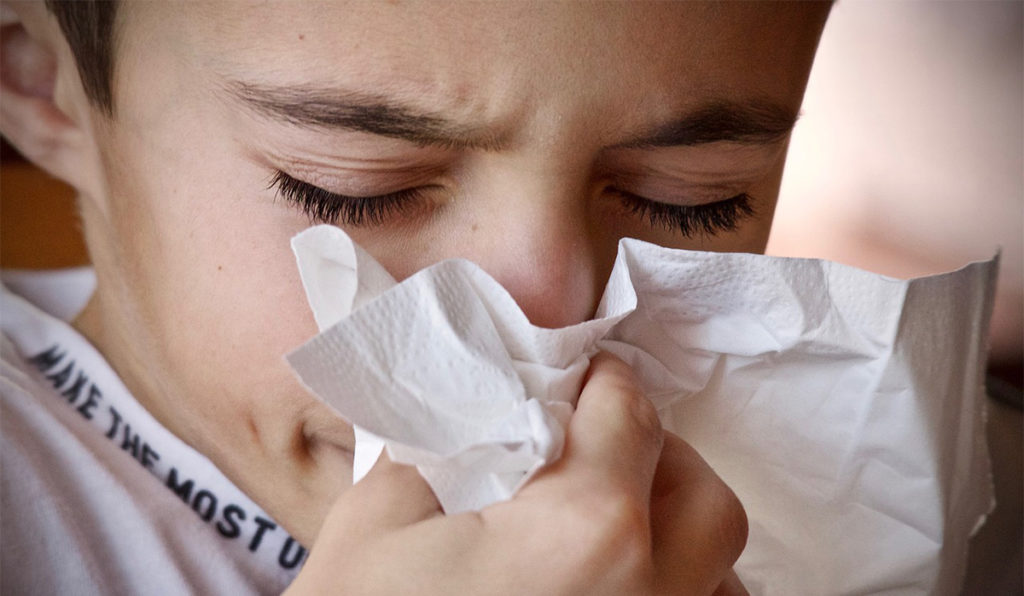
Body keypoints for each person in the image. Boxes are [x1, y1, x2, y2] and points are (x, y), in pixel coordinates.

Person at [8, 1, 980, 594]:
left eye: (689, 199)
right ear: (38, 79)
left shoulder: (846, 497)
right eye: (358, 190)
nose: (548, 316)